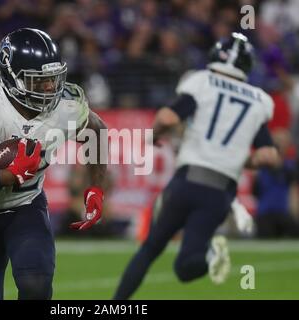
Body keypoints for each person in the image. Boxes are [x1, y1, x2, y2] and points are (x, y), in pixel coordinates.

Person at [0, 28, 107, 300]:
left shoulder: (67, 105)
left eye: (53, 79)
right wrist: (7, 175)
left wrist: (95, 187)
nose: (50, 88)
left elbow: (97, 131)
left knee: (36, 286)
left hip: (27, 206)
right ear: (11, 77)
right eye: (39, 82)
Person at [113, 32, 280, 299]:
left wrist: (154, 135)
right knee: (187, 267)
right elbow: (269, 156)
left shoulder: (201, 81)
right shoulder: (259, 100)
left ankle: (115, 304)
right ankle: (209, 254)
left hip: (187, 181)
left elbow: (168, 117)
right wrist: (238, 157)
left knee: (150, 249)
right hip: (219, 191)